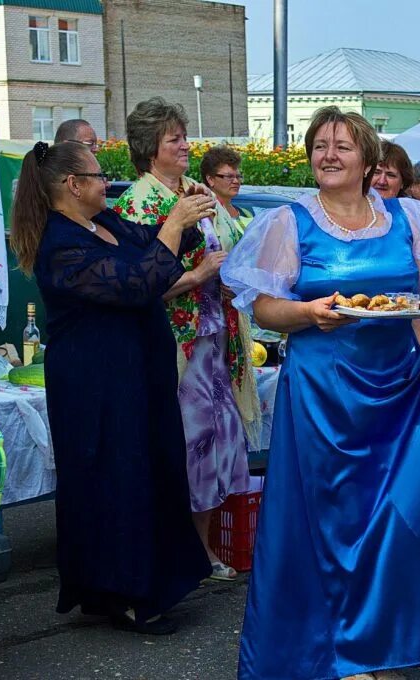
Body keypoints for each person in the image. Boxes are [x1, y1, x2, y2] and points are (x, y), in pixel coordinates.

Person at [222, 106, 420, 680]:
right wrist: (309, 313)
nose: (328, 156)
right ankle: (333, 650)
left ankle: (380, 641)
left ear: (367, 159)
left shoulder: (409, 217)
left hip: (400, 391)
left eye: (341, 145)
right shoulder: (289, 222)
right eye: (319, 146)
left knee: (394, 518)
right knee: (328, 520)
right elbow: (264, 306)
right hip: (321, 394)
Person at [9, 140, 212, 634]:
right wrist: (173, 225)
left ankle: (121, 587)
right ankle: (125, 595)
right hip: (96, 383)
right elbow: (134, 284)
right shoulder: (59, 243)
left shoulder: (105, 224)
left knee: (148, 472)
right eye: (98, 176)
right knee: (116, 481)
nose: (107, 183)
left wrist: (189, 213)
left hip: (136, 374)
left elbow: (154, 250)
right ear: (72, 186)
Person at [113, 97, 259, 582]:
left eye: (184, 135)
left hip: (215, 337)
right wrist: (198, 275)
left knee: (218, 446)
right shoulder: (139, 203)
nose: (185, 145)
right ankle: (182, 552)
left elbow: (222, 253)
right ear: (150, 147)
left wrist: (230, 274)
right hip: (175, 345)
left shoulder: (195, 193)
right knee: (189, 447)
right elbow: (138, 282)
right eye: (174, 138)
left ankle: (204, 548)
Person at [200, 145, 254, 233]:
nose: (236, 181)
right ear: (210, 180)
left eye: (238, 176)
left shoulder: (247, 214)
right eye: (229, 176)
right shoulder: (205, 216)